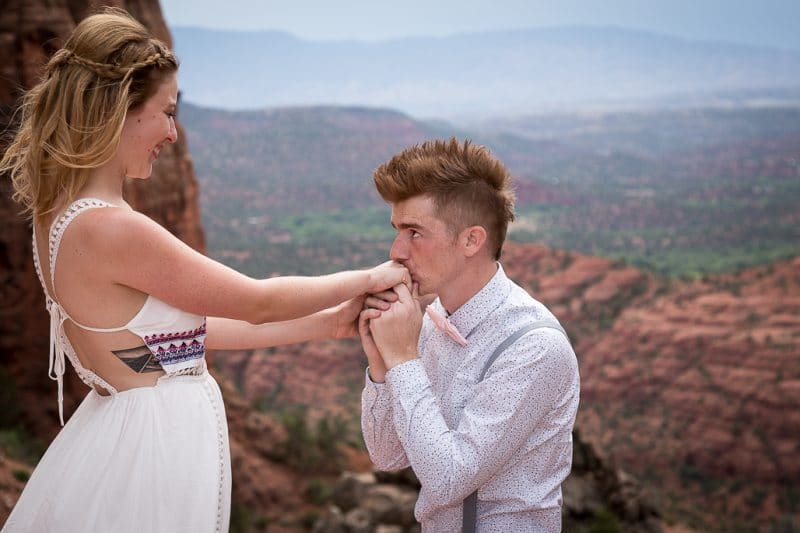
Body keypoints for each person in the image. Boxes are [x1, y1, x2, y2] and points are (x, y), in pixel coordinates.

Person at [0, 8, 408, 533]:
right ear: (120, 110)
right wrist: (373, 276)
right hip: (153, 453)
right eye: (166, 111)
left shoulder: (57, 216)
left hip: (123, 436)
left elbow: (176, 340)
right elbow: (255, 300)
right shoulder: (114, 229)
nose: (173, 132)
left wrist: (327, 323)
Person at [359, 138, 580, 532]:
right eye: (396, 230)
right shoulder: (431, 319)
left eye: (414, 232)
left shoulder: (535, 347)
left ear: (471, 240)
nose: (396, 250)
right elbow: (388, 456)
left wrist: (403, 359)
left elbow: (447, 481)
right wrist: (380, 364)